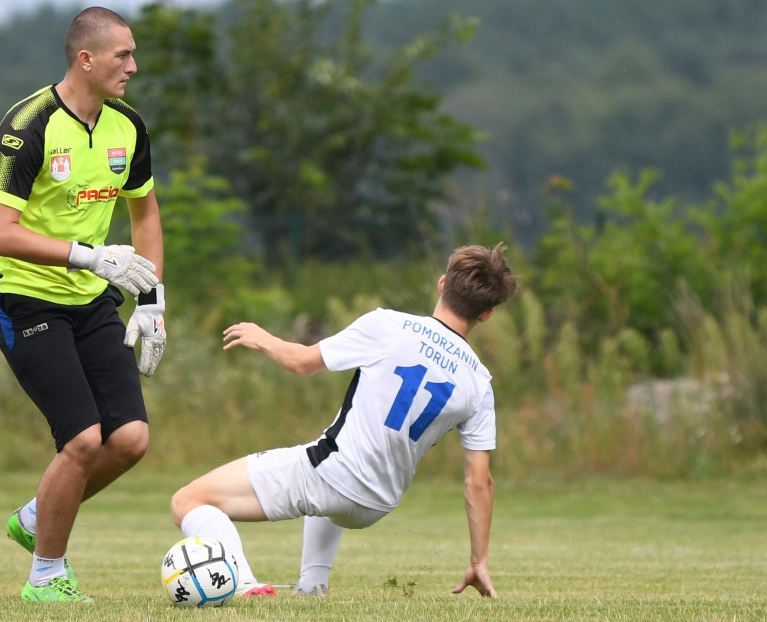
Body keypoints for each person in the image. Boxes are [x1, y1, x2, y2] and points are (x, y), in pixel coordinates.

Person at [171, 243, 516, 599]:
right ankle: (312, 586)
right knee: (323, 461)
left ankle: (244, 585)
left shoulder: (388, 324)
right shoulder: (479, 382)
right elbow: (479, 483)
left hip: (331, 477)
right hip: (377, 503)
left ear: (442, 284)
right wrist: (479, 561)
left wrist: (264, 338)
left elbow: (303, 362)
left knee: (188, 501)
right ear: (487, 314)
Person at [0, 7, 166, 603]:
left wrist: (153, 299)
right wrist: (90, 256)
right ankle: (46, 577)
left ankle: (37, 516)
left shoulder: (128, 127)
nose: (133, 67)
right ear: (86, 60)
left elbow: (146, 212)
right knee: (83, 439)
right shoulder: (28, 125)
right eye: (122, 56)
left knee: (130, 439)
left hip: (89, 299)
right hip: (22, 298)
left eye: (133, 55)